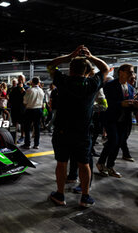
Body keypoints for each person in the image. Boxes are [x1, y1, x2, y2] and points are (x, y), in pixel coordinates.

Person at [47, 45, 109, 207]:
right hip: (82, 132)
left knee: (62, 163)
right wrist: (91, 56)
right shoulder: (92, 84)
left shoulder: (63, 81)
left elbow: (51, 64)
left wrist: (70, 55)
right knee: (84, 164)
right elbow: (105, 68)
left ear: (70, 69)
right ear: (87, 71)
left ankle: (60, 195)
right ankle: (85, 196)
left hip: (62, 130)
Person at [97, 64, 138, 177]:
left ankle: (110, 166)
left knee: (119, 142)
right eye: (129, 72)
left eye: (133, 72)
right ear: (121, 72)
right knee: (113, 141)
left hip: (124, 120)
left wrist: (134, 105)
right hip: (111, 118)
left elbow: (129, 104)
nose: (132, 74)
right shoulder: (110, 85)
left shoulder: (130, 88)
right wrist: (121, 103)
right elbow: (107, 103)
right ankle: (101, 163)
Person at [22, 77, 44, 149]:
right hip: (39, 110)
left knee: (27, 127)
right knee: (37, 127)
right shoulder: (41, 90)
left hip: (30, 110)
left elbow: (25, 102)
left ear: (32, 82)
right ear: (38, 82)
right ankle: (36, 144)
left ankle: (27, 144)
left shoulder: (29, 90)